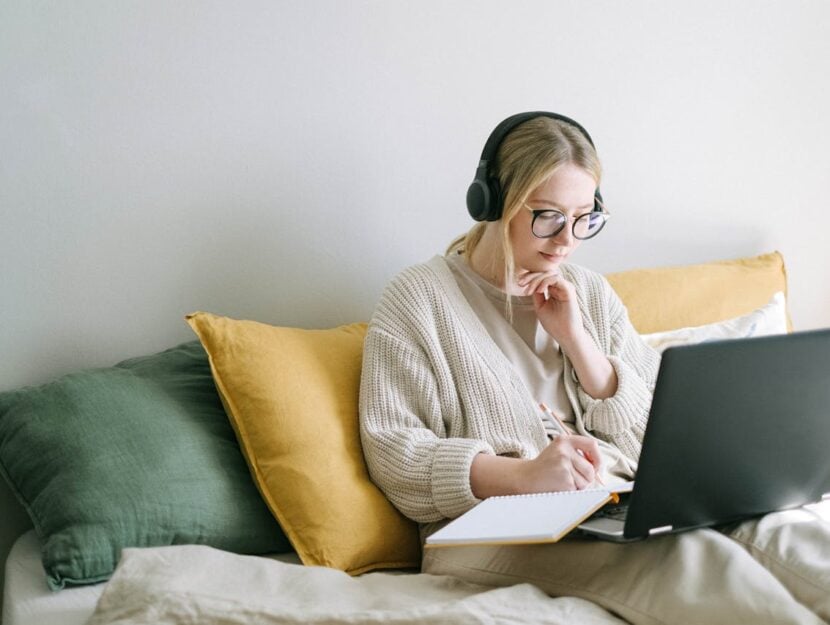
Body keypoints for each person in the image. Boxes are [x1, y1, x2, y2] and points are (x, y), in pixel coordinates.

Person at [358, 112, 830, 625]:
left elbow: (658, 431)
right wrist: (525, 476)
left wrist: (578, 342)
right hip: (486, 532)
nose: (566, 240)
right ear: (493, 203)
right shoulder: (417, 299)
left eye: (584, 217)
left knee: (788, 535)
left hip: (616, 504)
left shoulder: (588, 292)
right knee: (697, 566)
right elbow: (396, 454)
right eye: (548, 216)